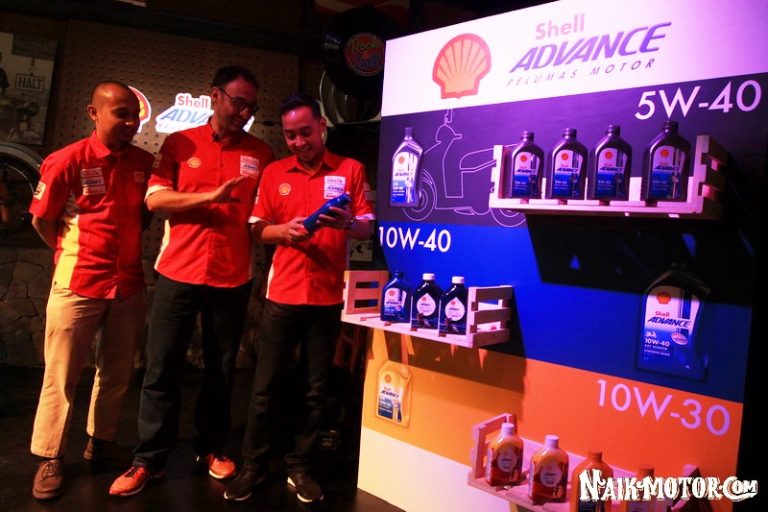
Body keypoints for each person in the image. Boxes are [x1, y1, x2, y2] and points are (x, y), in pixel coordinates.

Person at [109, 65, 274, 497]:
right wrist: (209, 197)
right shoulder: (180, 143)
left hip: (232, 276)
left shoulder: (262, 153)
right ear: (215, 96)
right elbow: (156, 199)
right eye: (238, 102)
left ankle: (212, 448)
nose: (244, 113)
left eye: (251, 107)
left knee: (221, 370)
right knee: (162, 368)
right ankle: (149, 459)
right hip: (177, 272)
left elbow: (266, 215)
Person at [223, 93, 374, 504]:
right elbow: (257, 229)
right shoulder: (274, 172)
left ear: (322, 126)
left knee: (315, 388)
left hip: (327, 295)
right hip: (282, 294)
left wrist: (349, 223)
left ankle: (300, 466)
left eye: (305, 132)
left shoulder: (350, 169)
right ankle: (254, 465)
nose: (299, 141)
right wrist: (284, 232)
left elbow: (367, 225)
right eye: (290, 135)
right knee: (265, 387)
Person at [28, 81, 154, 500]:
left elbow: (145, 217)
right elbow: (42, 220)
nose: (130, 122)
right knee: (61, 374)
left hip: (128, 285)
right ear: (93, 113)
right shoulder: (67, 160)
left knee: (116, 372)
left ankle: (100, 444)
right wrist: (69, 254)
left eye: (134, 115)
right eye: (121, 113)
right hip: (78, 282)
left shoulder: (143, 162)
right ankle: (50, 456)